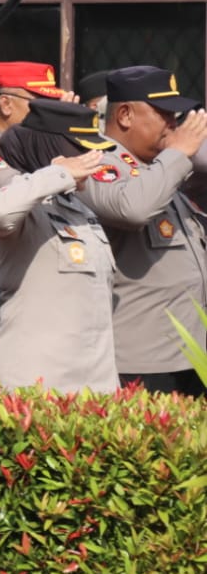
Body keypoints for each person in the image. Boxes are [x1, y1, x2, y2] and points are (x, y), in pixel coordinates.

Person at [81, 66, 207, 395]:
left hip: (188, 354)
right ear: (125, 115)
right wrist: (178, 153)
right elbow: (133, 209)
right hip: (142, 362)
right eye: (164, 113)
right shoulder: (97, 161)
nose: (174, 124)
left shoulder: (157, 165)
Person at [0, 101, 116, 393]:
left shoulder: (81, 209)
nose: (94, 161)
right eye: (83, 152)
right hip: (33, 387)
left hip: (90, 387)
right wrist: (58, 174)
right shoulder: (26, 203)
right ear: (54, 151)